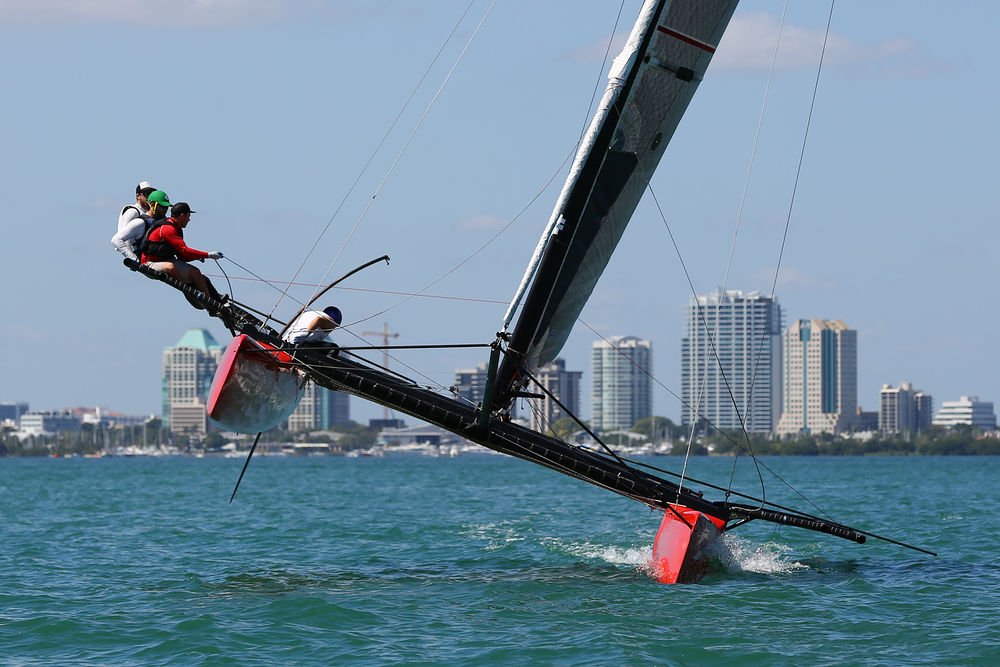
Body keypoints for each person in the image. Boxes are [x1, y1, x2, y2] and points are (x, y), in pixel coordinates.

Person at [140, 201, 226, 302]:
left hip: (167, 260)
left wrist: (196, 256)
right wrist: (209, 255)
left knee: (195, 272)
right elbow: (184, 250)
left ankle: (210, 303)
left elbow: (182, 257)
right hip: (149, 263)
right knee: (170, 267)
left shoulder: (177, 229)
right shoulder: (168, 229)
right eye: (188, 216)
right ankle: (188, 293)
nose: (189, 220)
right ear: (182, 215)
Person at [111, 182, 158, 260]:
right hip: (135, 253)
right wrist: (132, 258)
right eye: (146, 193)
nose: (149, 196)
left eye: (151, 193)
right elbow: (126, 237)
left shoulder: (147, 211)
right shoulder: (133, 211)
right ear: (138, 196)